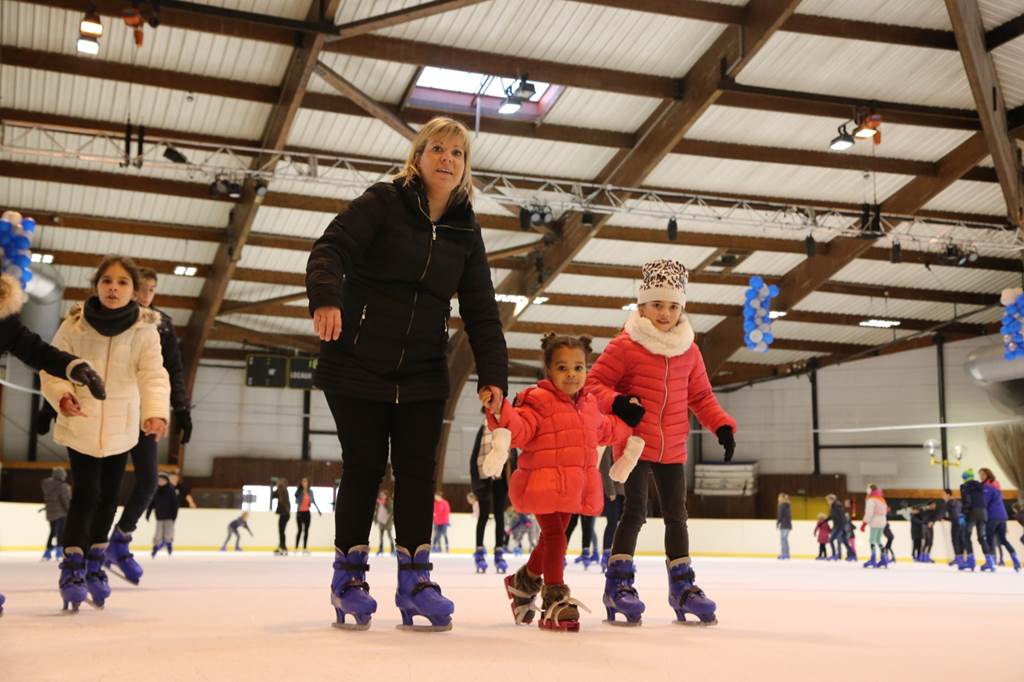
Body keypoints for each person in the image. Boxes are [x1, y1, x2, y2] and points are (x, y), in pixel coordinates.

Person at [308, 116, 508, 632]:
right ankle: (348, 579)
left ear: (465, 168)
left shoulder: (466, 230)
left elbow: (483, 311)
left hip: (422, 368)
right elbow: (330, 249)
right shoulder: (384, 200)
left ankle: (416, 581)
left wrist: (494, 376)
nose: (447, 159)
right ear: (418, 157)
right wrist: (327, 298)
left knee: (419, 473)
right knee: (365, 466)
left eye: (457, 154)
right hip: (355, 359)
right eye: (437, 149)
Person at [586, 258, 736, 626]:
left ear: (682, 308)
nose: (665, 313)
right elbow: (593, 387)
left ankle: (682, 588)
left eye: (672, 306)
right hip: (635, 444)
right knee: (634, 512)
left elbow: (701, 396)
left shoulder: (689, 351)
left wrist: (722, 426)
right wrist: (619, 402)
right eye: (657, 305)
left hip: (673, 447)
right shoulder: (626, 346)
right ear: (642, 306)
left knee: (677, 516)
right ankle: (617, 584)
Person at [485, 334, 642, 632]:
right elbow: (519, 428)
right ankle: (555, 594)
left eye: (579, 367)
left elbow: (606, 430)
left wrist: (629, 420)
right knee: (556, 536)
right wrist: (500, 410)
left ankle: (523, 581)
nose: (572, 374)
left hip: (574, 487)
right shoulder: (536, 401)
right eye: (562, 367)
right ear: (548, 370)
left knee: (552, 539)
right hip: (541, 483)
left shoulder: (590, 406)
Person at [40, 255, 168, 611]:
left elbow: (154, 374)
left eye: (123, 282)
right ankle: (72, 566)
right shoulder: (75, 325)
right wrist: (62, 397)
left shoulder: (145, 329)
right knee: (86, 492)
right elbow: (52, 368)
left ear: (134, 290)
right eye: (107, 281)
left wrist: (156, 413)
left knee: (110, 495)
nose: (114, 288)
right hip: (81, 420)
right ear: (96, 285)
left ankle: (96, 563)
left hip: (121, 427)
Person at [103, 267, 192, 586]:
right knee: (103, 484)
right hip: (110, 410)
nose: (146, 295)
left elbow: (174, 370)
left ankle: (119, 540)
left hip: (146, 414)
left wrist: (181, 408)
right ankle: (91, 549)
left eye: (152, 290)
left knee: (149, 480)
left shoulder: (162, 324)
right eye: (142, 288)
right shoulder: (108, 317)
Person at [469, 412, 510, 573]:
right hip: (484, 476)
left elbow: (511, 452)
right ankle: (479, 550)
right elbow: (475, 455)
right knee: (484, 515)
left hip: (500, 477)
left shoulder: (506, 427)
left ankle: (499, 551)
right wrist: (475, 481)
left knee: (499, 515)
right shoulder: (484, 426)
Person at [980, 468, 1018, 571]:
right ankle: (1015, 559)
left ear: (988, 475)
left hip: (993, 516)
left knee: (989, 540)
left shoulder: (986, 487)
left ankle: (990, 562)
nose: (981, 476)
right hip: (1002, 516)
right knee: (1003, 540)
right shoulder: (997, 486)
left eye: (983, 474)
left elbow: (984, 503)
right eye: (980, 474)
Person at [959, 469, 992, 572]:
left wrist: (962, 514)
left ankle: (971, 561)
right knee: (982, 538)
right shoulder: (980, 485)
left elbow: (967, 501)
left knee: (966, 535)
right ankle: (990, 562)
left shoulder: (965, 486)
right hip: (983, 513)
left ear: (964, 478)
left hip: (972, 513)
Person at [599, 447, 625, 572]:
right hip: (613, 493)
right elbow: (604, 467)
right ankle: (606, 554)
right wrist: (610, 490)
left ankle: (621, 556)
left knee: (624, 525)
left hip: (625, 492)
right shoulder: (610, 446)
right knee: (612, 523)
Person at [40, 467, 71, 561]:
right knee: (61, 533)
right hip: (61, 513)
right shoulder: (63, 486)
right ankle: (59, 552)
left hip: (50, 513)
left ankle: (48, 552)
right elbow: (65, 500)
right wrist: (69, 511)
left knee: (52, 532)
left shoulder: (46, 485)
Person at [146, 473, 178, 557]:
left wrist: (174, 517)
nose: (160, 481)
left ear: (166, 481)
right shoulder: (156, 490)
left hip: (169, 516)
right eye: (159, 480)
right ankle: (156, 546)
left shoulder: (171, 490)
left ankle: (168, 544)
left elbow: (175, 504)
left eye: (162, 480)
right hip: (159, 516)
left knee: (168, 532)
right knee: (158, 533)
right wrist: (148, 514)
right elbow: (152, 503)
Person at [860, 485, 889, 568]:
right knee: (878, 540)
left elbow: (869, 513)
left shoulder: (871, 500)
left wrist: (864, 524)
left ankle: (873, 559)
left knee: (872, 540)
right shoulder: (882, 499)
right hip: (883, 521)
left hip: (875, 521)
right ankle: (884, 558)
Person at [294, 477, 321, 554]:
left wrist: (318, 510)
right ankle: (296, 547)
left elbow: (313, 501)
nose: (304, 483)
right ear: (301, 483)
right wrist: (301, 493)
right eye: (303, 482)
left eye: (306, 482)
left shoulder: (310, 492)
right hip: (300, 513)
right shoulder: (299, 491)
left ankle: (304, 548)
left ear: (308, 483)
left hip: (307, 513)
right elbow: (296, 501)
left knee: (306, 530)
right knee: (299, 530)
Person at [826, 494, 854, 561]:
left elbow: (841, 517)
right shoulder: (833, 507)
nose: (827, 501)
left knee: (831, 540)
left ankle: (834, 555)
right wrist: (824, 521)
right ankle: (853, 555)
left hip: (839, 526)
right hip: (839, 526)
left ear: (832, 499)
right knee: (844, 542)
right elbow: (831, 516)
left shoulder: (837, 506)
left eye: (828, 500)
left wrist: (841, 527)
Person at [943, 489, 964, 568]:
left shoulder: (949, 503)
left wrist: (944, 518)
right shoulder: (958, 502)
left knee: (955, 540)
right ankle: (959, 558)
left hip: (955, 523)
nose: (943, 496)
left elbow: (952, 515)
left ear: (948, 494)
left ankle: (958, 558)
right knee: (960, 540)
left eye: (944, 494)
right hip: (962, 522)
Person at [272, 479, 291, 556]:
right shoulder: (282, 491)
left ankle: (283, 547)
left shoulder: (283, 491)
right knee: (281, 531)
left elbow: (273, 495)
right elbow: (273, 496)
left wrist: (278, 486)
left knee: (281, 531)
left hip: (285, 514)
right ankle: (282, 546)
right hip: (284, 514)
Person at [374, 490, 395, 556]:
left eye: (383, 495)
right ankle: (380, 549)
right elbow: (377, 512)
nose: (381, 496)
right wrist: (376, 520)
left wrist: (387, 521)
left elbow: (390, 513)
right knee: (381, 537)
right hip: (381, 522)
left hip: (387, 523)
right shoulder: (379, 503)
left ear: (386, 495)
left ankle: (392, 549)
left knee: (389, 536)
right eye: (381, 495)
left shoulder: (389, 503)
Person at [776, 493, 792, 560]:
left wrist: (778, 522)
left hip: (784, 524)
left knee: (783, 540)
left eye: (779, 497)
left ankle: (784, 554)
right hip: (788, 524)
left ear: (781, 498)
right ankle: (787, 554)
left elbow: (780, 515)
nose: (778, 499)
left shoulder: (781, 505)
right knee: (785, 540)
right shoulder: (788, 505)